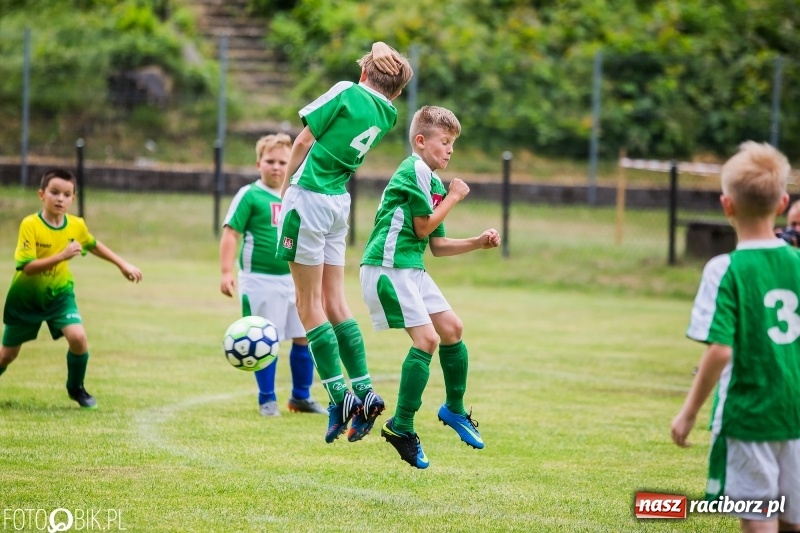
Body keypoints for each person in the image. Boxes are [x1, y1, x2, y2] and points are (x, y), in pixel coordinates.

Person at [276, 42, 413, 443]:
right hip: (339, 203)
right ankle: (365, 390)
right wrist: (381, 54)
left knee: (308, 305)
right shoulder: (388, 113)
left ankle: (341, 395)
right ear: (398, 90)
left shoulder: (346, 90)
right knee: (336, 303)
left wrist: (284, 193)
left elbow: (301, 142)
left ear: (366, 73)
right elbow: (388, 83)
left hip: (310, 197)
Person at [360, 106, 501, 469]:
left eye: (453, 143)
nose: (450, 150)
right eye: (444, 141)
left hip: (411, 267)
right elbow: (423, 229)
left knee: (452, 328)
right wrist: (454, 197)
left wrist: (477, 242)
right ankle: (401, 426)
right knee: (427, 340)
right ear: (420, 141)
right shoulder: (414, 170)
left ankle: (453, 410)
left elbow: (436, 245)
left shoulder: (431, 180)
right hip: (388, 266)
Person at [671, 141, 800, 532]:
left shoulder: (724, 269)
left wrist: (688, 413)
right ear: (782, 203)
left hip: (748, 416)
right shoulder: (796, 263)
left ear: (726, 205)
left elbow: (720, 350)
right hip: (795, 412)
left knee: (759, 517)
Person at [0, 168, 142, 409]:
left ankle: (76, 388)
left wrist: (122, 264)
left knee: (78, 337)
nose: (60, 199)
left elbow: (94, 244)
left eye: (67, 194)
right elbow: (28, 268)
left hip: (60, 295)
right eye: (54, 192)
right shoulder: (30, 225)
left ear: (73, 199)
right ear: (41, 194)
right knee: (7, 355)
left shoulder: (76, 225)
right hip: (26, 298)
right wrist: (62, 255)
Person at [220, 133, 326, 417]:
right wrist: (226, 271)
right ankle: (267, 399)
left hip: (295, 280)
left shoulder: (297, 195)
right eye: (270, 161)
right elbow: (231, 232)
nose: (277, 167)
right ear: (258, 164)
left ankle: (301, 397)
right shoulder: (250, 195)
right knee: (266, 338)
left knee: (304, 335)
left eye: (282, 161)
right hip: (260, 281)